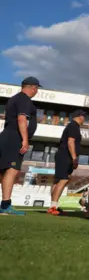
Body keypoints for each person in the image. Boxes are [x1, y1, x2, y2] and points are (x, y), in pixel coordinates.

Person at [0, 77, 40, 215]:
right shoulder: (24, 99)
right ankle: (5, 205)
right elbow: (22, 118)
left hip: (7, 135)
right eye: (37, 89)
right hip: (14, 137)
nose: (36, 91)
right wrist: (24, 139)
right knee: (12, 169)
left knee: (4, 170)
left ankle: (4, 204)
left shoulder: (14, 98)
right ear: (33, 87)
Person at [48, 110, 86, 216]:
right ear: (80, 116)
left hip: (63, 155)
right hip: (66, 155)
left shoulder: (72, 126)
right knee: (63, 179)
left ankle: (53, 205)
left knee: (58, 180)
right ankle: (53, 206)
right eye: (84, 117)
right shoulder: (73, 126)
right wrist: (74, 157)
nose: (85, 119)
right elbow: (70, 141)